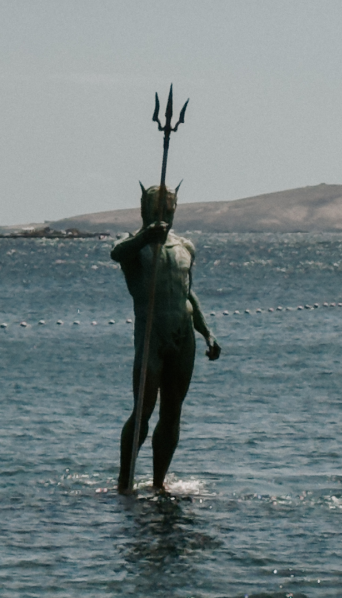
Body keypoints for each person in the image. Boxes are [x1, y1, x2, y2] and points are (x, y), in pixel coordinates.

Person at [111, 184, 220, 495]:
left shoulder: (186, 247)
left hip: (183, 335)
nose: (164, 216)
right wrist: (146, 236)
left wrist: (206, 331)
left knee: (173, 413)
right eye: (157, 211)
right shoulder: (135, 247)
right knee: (143, 411)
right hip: (151, 337)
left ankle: (159, 483)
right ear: (144, 210)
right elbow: (116, 253)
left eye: (169, 210)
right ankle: (124, 483)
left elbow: (188, 293)